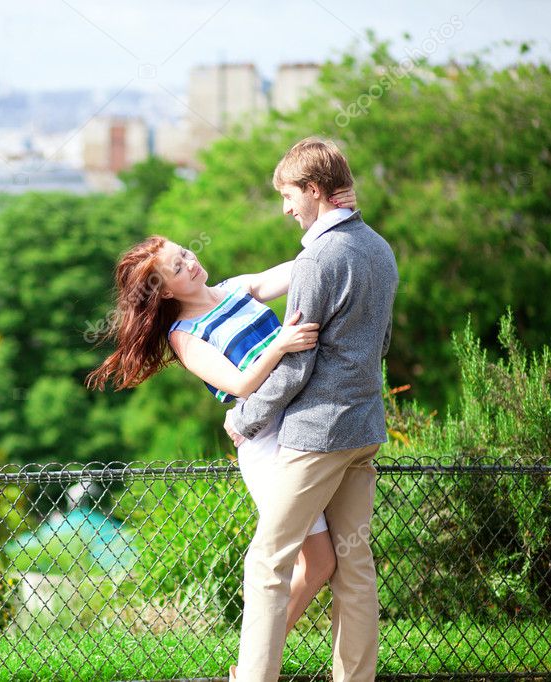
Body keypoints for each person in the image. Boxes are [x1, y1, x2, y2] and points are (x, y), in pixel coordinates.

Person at [85, 186, 358, 679]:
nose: (190, 263)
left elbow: (301, 268)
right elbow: (238, 383)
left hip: (305, 423)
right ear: (165, 292)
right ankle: (251, 669)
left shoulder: (236, 287)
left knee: (321, 565)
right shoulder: (184, 335)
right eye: (177, 268)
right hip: (266, 443)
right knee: (307, 562)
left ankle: (250, 667)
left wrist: (339, 223)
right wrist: (284, 343)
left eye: (184, 253)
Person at [222, 137, 398, 681]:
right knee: (355, 567)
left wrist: (244, 417)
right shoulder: (379, 248)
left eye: (289, 195)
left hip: (318, 437)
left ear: (315, 191)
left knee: (267, 563)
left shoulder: (317, 259)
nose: (286, 208)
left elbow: (297, 364)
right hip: (364, 429)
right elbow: (383, 342)